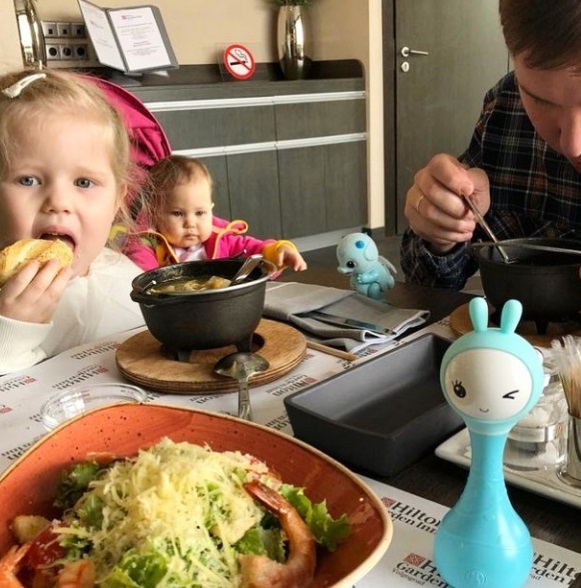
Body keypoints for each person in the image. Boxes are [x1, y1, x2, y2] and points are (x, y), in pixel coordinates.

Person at [400, 0, 581, 290]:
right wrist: (442, 229)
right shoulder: (507, 107)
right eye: (540, 101)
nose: (572, 145)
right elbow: (429, 280)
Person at [0, 69, 146, 376]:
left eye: (83, 182)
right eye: (28, 180)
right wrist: (9, 333)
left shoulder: (127, 281)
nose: (59, 202)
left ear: (116, 202)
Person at [123, 155, 308, 273]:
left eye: (200, 213)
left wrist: (277, 252)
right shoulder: (147, 246)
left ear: (211, 208)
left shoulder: (220, 239)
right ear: (155, 213)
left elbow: (254, 252)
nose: (190, 223)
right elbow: (141, 275)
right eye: (178, 213)